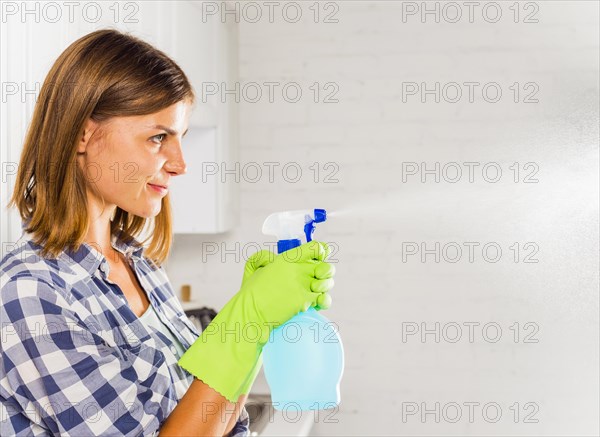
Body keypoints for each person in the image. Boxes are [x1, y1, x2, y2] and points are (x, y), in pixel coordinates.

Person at [0, 28, 336, 436]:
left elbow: (211, 421)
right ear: (84, 134)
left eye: (181, 138)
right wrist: (249, 317)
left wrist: (251, 326)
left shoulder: (139, 263)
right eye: (158, 137)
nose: (180, 164)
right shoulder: (30, 294)